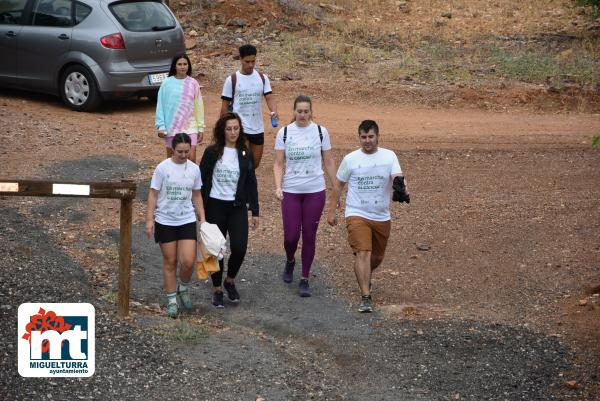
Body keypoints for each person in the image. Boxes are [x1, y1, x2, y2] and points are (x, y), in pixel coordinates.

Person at [327, 120, 408, 313]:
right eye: (363, 137)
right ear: (359, 138)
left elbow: (398, 177)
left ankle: (364, 273)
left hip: (381, 215)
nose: (367, 141)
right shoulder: (351, 159)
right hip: (357, 212)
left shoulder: (389, 156)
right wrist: (331, 210)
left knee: (377, 256)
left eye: (371, 136)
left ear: (378, 136)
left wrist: (402, 188)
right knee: (363, 252)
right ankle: (366, 296)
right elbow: (338, 184)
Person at [273, 95, 337, 297]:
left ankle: (305, 277)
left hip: (315, 190)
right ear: (294, 112)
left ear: (311, 112)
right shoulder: (284, 133)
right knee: (291, 236)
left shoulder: (320, 132)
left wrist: (336, 186)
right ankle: (290, 260)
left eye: (306, 111)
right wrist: (277, 186)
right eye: (299, 111)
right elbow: (278, 163)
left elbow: (328, 161)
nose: (302, 115)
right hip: (291, 190)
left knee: (309, 235)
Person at [199, 113, 259, 308]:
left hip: (237, 206)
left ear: (240, 130)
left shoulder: (245, 153)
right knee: (216, 250)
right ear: (222, 131)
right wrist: (200, 211)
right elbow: (201, 181)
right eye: (229, 129)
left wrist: (255, 211)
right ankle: (217, 288)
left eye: (236, 128)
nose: (233, 132)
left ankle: (230, 280)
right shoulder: (212, 152)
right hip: (215, 205)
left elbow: (251, 182)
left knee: (240, 247)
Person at [145, 133, 205, 318]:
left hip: (186, 218)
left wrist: (202, 218)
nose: (184, 155)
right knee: (170, 261)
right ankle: (171, 300)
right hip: (165, 220)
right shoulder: (163, 168)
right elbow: (153, 194)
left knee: (188, 261)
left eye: (187, 151)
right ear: (172, 148)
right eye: (180, 151)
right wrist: (149, 220)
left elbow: (196, 194)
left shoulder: (194, 169)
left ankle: (183, 287)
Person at [220, 44, 278, 169]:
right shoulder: (232, 80)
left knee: (254, 164)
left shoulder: (262, 78)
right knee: (244, 161)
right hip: (240, 128)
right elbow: (225, 105)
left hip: (257, 128)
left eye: (253, 61)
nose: (250, 65)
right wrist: (223, 127)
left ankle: (246, 185)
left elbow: (269, 97)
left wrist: (274, 111)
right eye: (247, 62)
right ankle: (242, 187)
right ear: (240, 59)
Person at [155, 54, 205, 163]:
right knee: (172, 160)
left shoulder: (193, 83)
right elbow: (160, 105)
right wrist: (161, 125)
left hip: (190, 126)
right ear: (174, 66)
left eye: (185, 64)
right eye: (179, 64)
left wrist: (200, 128)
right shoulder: (166, 83)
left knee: (191, 159)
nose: (182, 67)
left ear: (189, 66)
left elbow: (199, 106)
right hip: (171, 127)